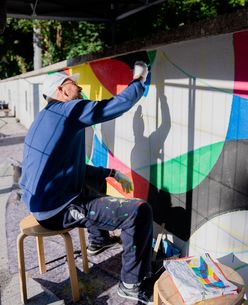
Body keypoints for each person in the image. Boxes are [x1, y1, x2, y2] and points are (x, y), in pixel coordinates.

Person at [19, 61, 153, 304]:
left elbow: (69, 168)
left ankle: (98, 239)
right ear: (60, 90)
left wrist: (110, 172)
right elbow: (114, 107)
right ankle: (132, 284)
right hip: (56, 210)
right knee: (139, 212)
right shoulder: (69, 110)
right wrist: (139, 81)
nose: (80, 87)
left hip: (42, 201)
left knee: (94, 185)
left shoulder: (44, 118)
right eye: (74, 84)